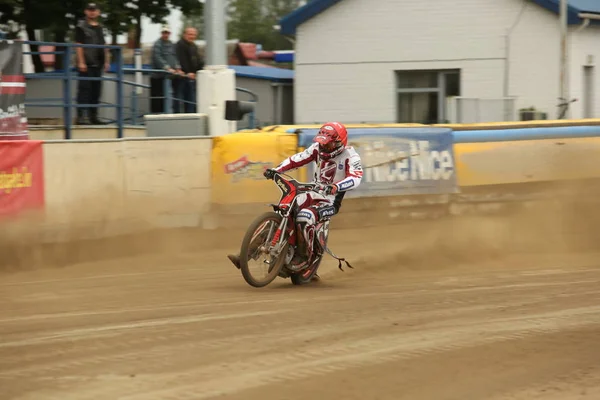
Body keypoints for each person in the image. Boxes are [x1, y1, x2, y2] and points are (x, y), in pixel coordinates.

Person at [227, 122, 363, 272]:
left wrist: (336, 186)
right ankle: (245, 255)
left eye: (328, 145)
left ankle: (303, 257)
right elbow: (297, 159)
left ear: (339, 143)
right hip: (314, 192)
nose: (324, 147)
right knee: (284, 210)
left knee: (305, 216)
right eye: (322, 143)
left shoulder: (351, 156)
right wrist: (276, 170)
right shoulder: (317, 148)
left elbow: (355, 178)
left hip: (330, 201)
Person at [74, 2, 110, 125]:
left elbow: (104, 45)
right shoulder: (81, 26)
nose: (92, 12)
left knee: (96, 91)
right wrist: (81, 62)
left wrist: (107, 60)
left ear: (98, 12)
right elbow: (78, 45)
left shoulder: (100, 27)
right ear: (86, 11)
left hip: (98, 64)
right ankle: (81, 117)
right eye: (90, 10)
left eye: (94, 10)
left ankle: (93, 117)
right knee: (84, 90)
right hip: (87, 64)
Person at [150, 25, 183, 113]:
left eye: (167, 33)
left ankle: (171, 113)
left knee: (169, 96)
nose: (166, 35)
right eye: (164, 33)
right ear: (161, 33)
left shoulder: (171, 44)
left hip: (169, 76)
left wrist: (178, 67)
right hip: (158, 76)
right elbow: (157, 57)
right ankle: (157, 115)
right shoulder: (157, 44)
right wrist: (167, 67)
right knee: (158, 98)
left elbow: (175, 57)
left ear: (170, 33)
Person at [175, 27, 204, 113]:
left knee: (191, 99)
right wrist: (188, 73)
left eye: (194, 34)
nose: (192, 36)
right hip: (182, 77)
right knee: (181, 99)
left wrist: (200, 69)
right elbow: (182, 60)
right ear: (184, 34)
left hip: (192, 77)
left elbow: (198, 60)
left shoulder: (193, 46)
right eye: (190, 34)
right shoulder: (180, 45)